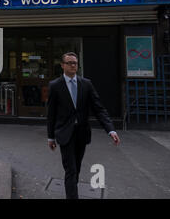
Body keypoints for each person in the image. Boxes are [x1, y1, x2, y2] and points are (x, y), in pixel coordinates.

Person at [47, 52, 120, 199]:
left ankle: (72, 190)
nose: (73, 65)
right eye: (69, 63)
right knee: (71, 170)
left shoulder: (86, 84)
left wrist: (110, 130)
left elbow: (99, 108)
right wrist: (50, 137)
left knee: (77, 168)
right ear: (62, 65)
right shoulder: (55, 85)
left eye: (75, 63)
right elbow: (51, 113)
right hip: (64, 133)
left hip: (81, 133)